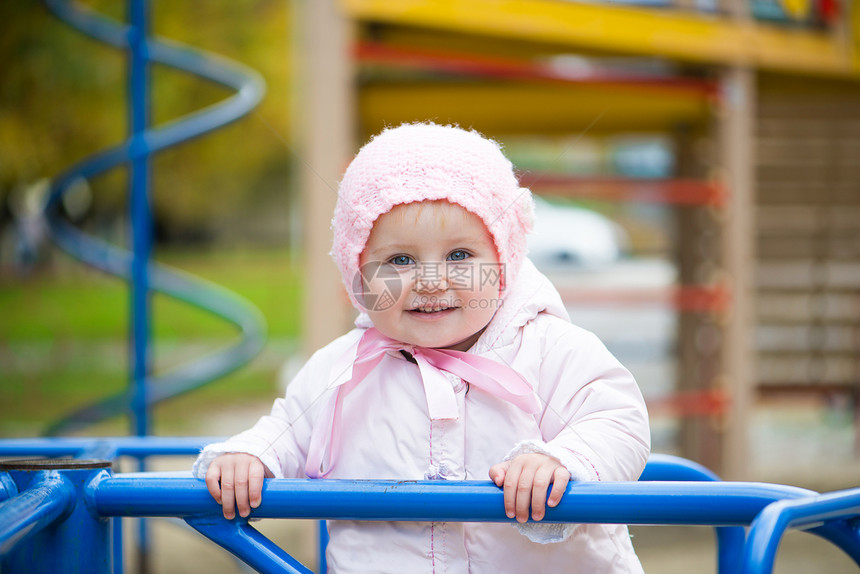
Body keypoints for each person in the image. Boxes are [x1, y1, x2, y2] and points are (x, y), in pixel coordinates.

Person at [193, 123, 650, 573]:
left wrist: (564, 459)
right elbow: (286, 431)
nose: (431, 282)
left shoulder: (551, 349)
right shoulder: (342, 368)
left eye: (459, 256)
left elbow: (618, 419)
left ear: (504, 259)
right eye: (399, 260)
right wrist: (249, 457)